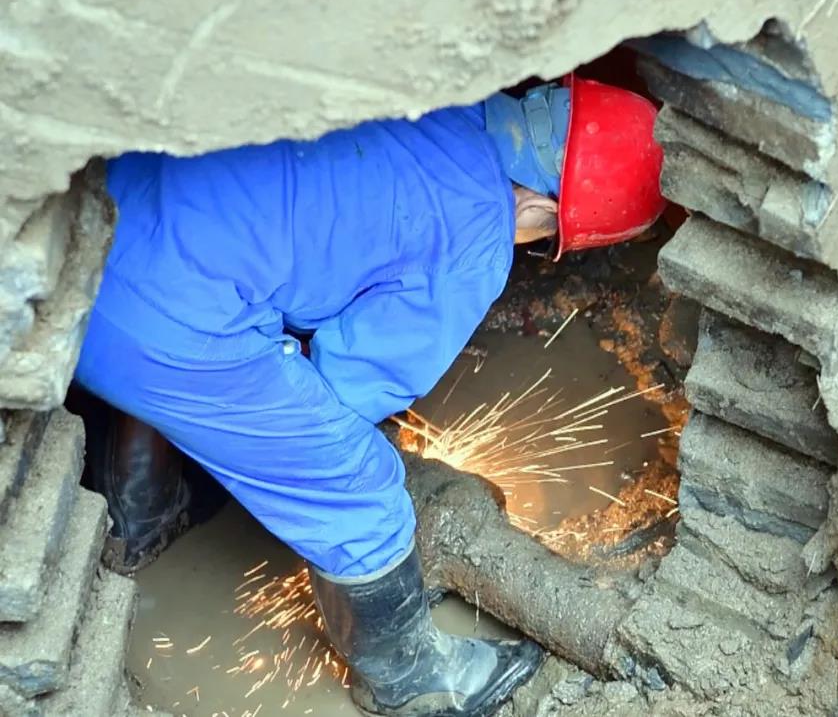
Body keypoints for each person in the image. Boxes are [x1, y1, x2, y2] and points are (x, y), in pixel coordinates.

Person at [73, 74, 664, 717]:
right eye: (545, 242)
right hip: (161, 328)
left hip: (89, 235)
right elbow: (349, 385)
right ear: (543, 211)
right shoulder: (478, 235)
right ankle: (410, 680)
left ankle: (143, 517)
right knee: (357, 483)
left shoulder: (439, 96)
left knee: (230, 323)